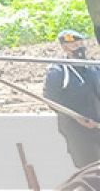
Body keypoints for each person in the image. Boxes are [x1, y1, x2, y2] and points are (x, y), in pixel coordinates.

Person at [44, 30, 100, 169]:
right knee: (89, 169)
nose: (79, 47)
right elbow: (51, 100)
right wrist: (77, 118)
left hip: (97, 126)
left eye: (80, 43)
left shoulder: (93, 67)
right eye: (73, 44)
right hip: (77, 131)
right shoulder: (59, 70)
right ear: (64, 47)